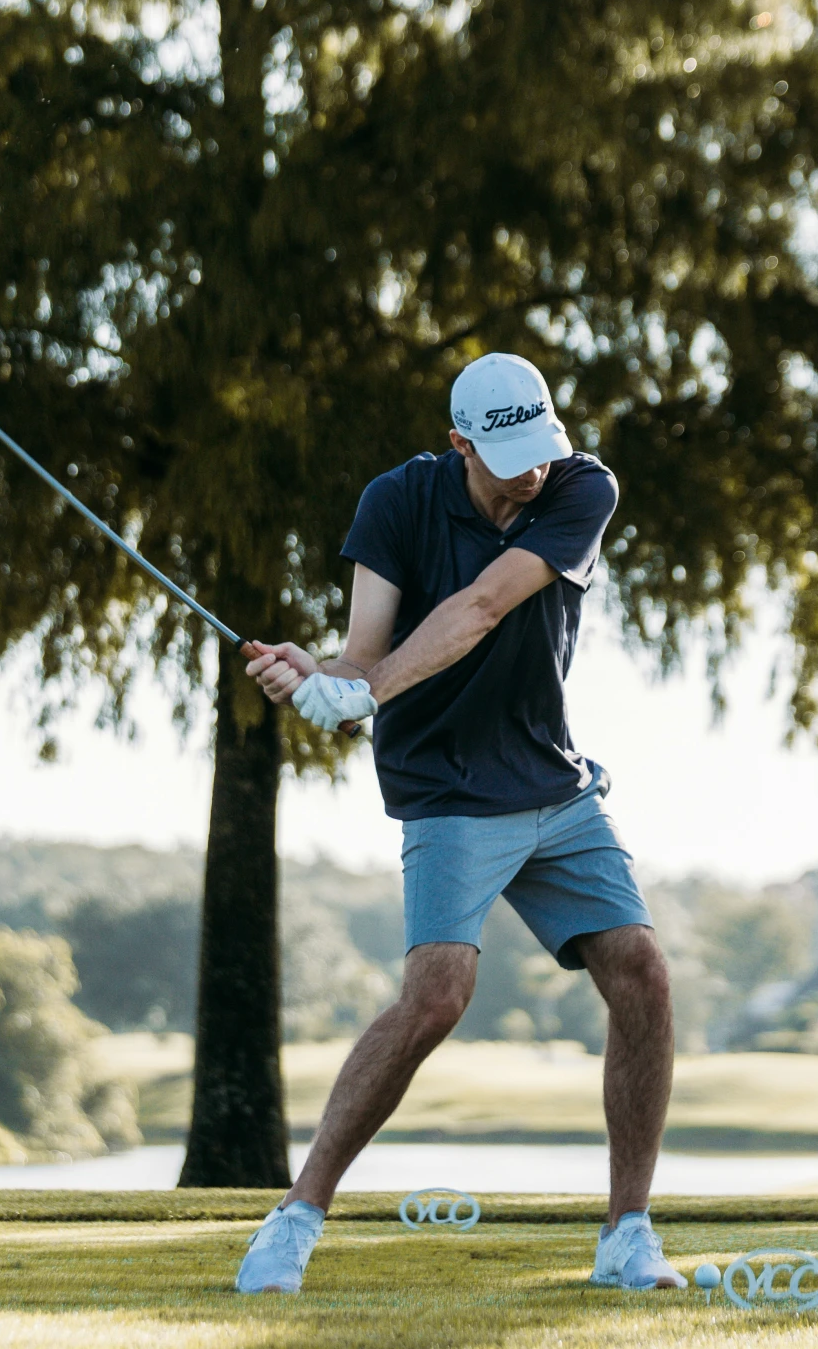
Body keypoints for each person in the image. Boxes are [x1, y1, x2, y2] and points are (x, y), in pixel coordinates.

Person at [232, 350, 684, 1296]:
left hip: (551, 782)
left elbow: (480, 608)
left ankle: (628, 1233)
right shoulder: (395, 503)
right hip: (445, 786)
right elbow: (363, 651)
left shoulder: (580, 488)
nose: (528, 473)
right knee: (437, 995)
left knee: (641, 968)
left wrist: (360, 692)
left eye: (539, 449)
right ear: (458, 443)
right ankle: (296, 1216)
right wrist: (315, 675)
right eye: (506, 453)